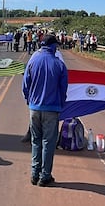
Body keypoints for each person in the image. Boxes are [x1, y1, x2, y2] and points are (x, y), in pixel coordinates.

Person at [23, 35, 68, 187]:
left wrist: (29, 100)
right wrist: (61, 105)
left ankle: (34, 174)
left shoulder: (33, 60)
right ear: (53, 46)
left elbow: (25, 84)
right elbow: (63, 89)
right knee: (48, 143)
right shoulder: (59, 64)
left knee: (36, 141)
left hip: (34, 108)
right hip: (52, 108)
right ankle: (45, 176)